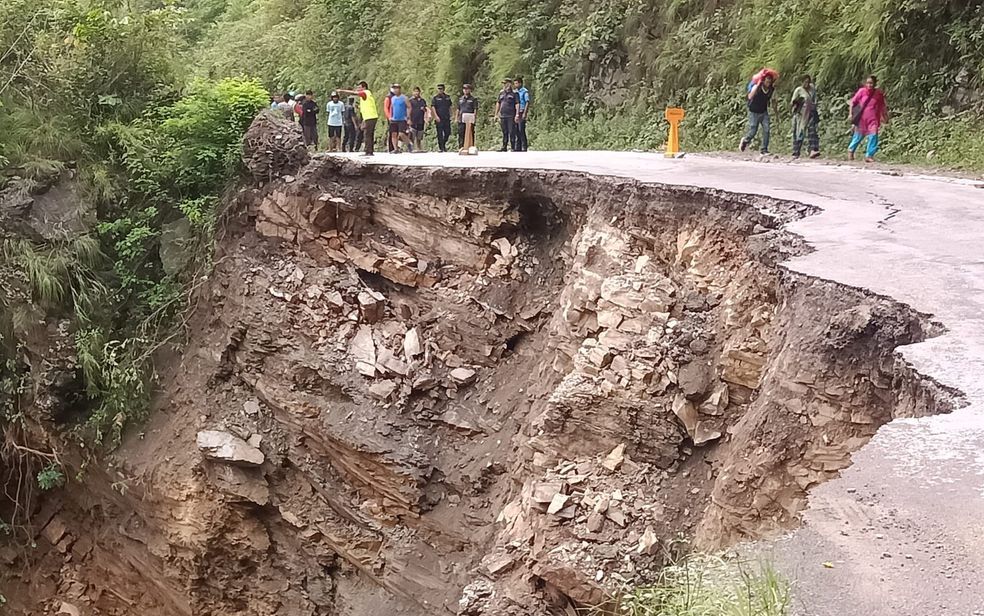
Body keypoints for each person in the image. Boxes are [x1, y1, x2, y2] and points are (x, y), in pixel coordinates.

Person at [848, 75, 889, 163]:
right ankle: (851, 150)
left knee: (873, 136)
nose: (869, 85)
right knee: (858, 136)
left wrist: (884, 117)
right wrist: (851, 114)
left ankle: (869, 155)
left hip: (873, 119)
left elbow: (882, 106)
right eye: (868, 83)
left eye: (871, 83)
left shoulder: (878, 93)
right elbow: (853, 102)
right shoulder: (861, 91)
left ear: (874, 84)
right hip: (862, 119)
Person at [337, 81, 379, 156]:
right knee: (369, 133)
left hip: (370, 117)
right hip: (370, 116)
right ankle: (370, 150)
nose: (358, 89)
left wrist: (342, 91)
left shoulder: (365, 92)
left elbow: (354, 93)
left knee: (367, 134)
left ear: (364, 87)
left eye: (359, 87)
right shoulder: (366, 95)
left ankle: (368, 151)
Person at [740, 70, 777, 154]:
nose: (768, 82)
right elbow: (750, 96)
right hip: (753, 112)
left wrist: (776, 112)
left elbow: (774, 101)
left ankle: (764, 149)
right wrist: (757, 85)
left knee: (767, 130)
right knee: (753, 131)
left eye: (770, 81)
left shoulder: (771, 89)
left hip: (763, 112)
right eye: (767, 80)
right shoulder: (757, 87)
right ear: (763, 80)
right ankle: (745, 140)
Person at [791, 75, 820, 159]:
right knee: (799, 132)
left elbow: (814, 99)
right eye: (804, 82)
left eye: (808, 82)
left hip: (811, 112)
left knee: (812, 131)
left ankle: (813, 149)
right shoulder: (798, 90)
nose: (806, 84)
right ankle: (796, 152)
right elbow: (793, 103)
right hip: (801, 114)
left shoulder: (812, 89)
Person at [493, 78, 518, 152]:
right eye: (503, 84)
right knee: (504, 132)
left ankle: (513, 147)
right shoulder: (501, 93)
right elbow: (498, 103)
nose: (504, 85)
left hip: (511, 115)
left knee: (511, 131)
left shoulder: (514, 93)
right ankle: (504, 147)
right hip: (503, 115)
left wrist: (517, 114)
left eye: (505, 83)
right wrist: (496, 114)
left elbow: (517, 104)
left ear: (509, 84)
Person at [387, 84, 411, 153]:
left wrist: (408, 117)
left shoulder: (404, 98)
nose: (395, 90)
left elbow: (409, 107)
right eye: (394, 88)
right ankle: (395, 148)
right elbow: (391, 107)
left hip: (402, 119)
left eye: (397, 88)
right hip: (394, 119)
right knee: (393, 134)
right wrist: (390, 116)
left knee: (401, 134)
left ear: (400, 89)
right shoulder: (393, 98)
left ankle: (409, 144)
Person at [431, 84, 453, 152]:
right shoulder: (435, 98)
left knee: (448, 132)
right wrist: (436, 116)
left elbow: (450, 106)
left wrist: (451, 114)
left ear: (444, 89)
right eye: (439, 89)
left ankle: (443, 144)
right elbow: (433, 107)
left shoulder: (447, 97)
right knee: (440, 133)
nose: (440, 90)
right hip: (439, 117)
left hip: (446, 117)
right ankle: (441, 147)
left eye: (441, 89)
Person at [457, 84, 478, 149]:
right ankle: (461, 146)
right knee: (461, 133)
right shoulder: (460, 99)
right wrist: (456, 117)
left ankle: (470, 146)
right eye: (464, 89)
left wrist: (475, 117)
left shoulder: (473, 99)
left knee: (470, 132)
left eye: (467, 89)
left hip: (470, 117)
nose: (465, 90)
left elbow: (475, 109)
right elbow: (458, 109)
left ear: (469, 90)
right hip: (461, 118)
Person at [409, 87, 429, 152]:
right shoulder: (410, 101)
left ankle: (419, 148)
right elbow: (408, 110)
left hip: (420, 120)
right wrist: (408, 119)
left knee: (419, 137)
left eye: (417, 91)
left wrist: (426, 116)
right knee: (412, 135)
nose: (416, 93)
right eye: (415, 91)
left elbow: (426, 109)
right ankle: (411, 148)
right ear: (413, 92)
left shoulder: (422, 101)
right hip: (413, 120)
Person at [513, 77, 531, 152]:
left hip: (522, 110)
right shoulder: (515, 92)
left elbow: (527, 102)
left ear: (520, 83)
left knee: (521, 129)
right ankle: (518, 147)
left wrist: (524, 113)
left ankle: (524, 146)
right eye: (514, 83)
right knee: (516, 130)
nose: (515, 85)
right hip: (516, 111)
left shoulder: (524, 91)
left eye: (517, 83)